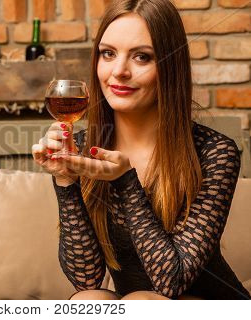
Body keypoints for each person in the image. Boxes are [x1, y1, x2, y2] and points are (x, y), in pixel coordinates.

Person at [32, 0, 250, 300]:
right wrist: (65, 181)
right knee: (88, 300)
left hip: (210, 306)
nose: (119, 71)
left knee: (141, 301)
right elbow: (87, 278)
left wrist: (125, 180)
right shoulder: (84, 148)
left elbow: (171, 282)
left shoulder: (215, 152)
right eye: (108, 54)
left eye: (142, 57)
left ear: (168, 66)